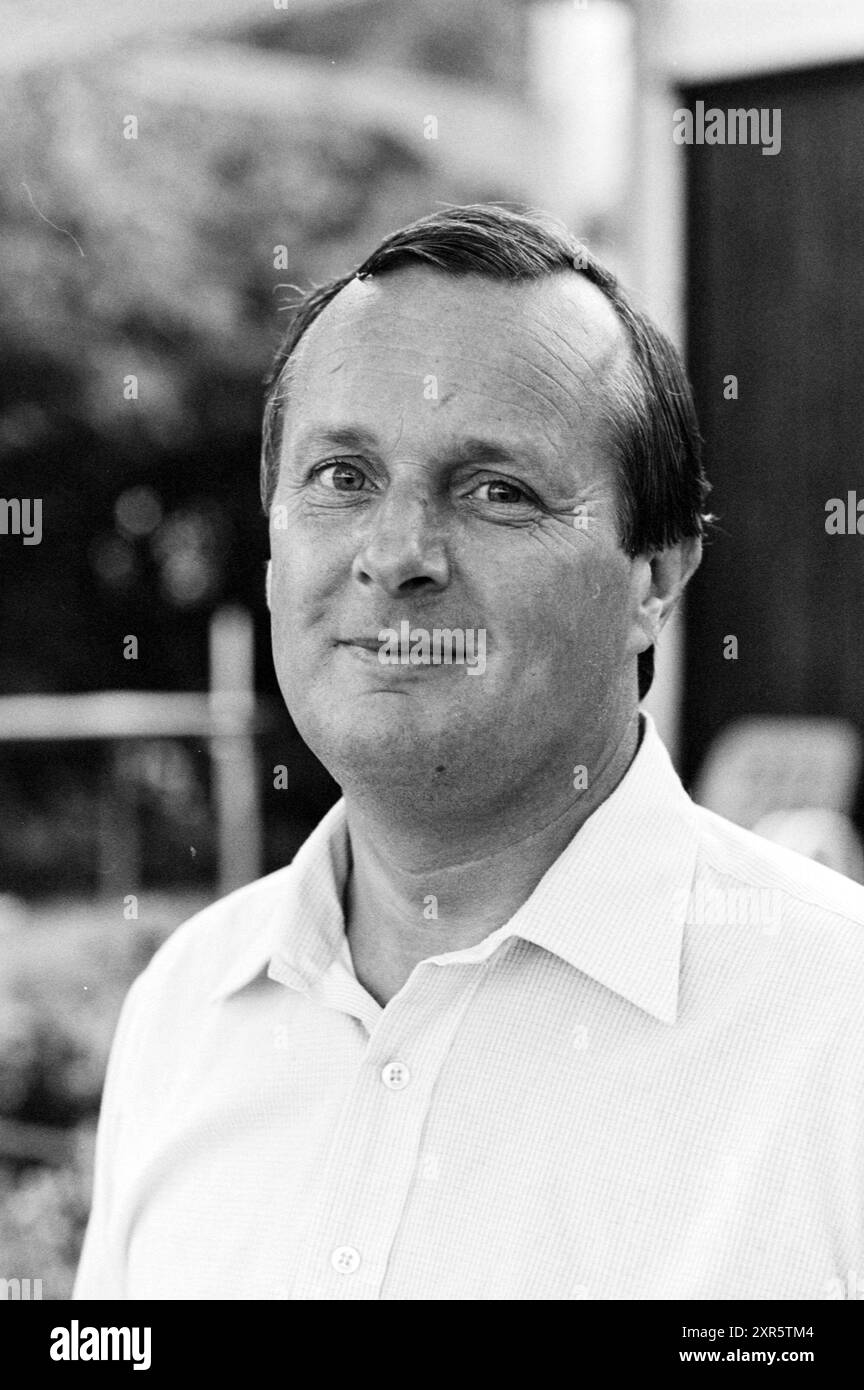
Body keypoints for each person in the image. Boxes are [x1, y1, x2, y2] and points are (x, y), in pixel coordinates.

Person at [75, 204, 864, 1301]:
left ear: (655, 580)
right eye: (343, 477)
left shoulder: (839, 1035)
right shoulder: (185, 1011)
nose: (396, 556)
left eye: (498, 490)